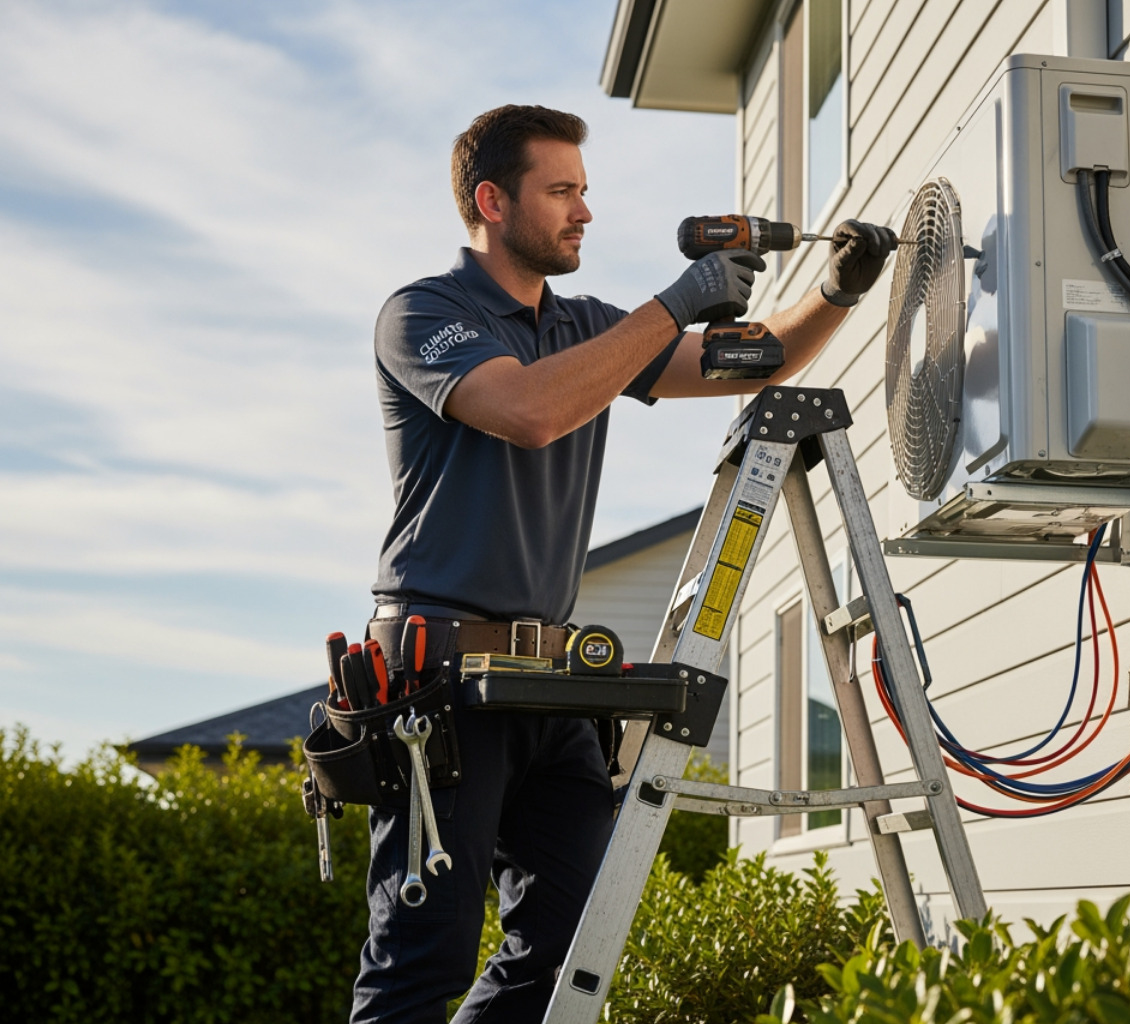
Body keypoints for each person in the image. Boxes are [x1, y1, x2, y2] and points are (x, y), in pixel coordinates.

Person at [355, 103, 896, 1024]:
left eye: (584, 191)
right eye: (561, 191)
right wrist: (676, 302)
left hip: (550, 683)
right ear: (491, 200)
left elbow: (750, 362)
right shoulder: (422, 314)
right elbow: (529, 412)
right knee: (422, 958)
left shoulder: (591, 328)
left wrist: (838, 289)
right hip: (439, 678)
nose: (584, 212)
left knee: (571, 944)